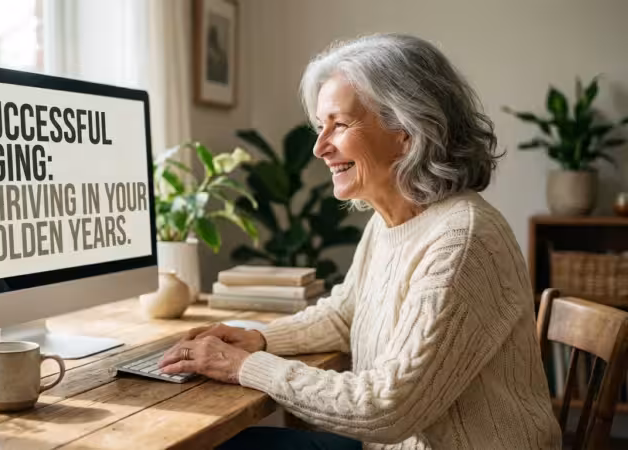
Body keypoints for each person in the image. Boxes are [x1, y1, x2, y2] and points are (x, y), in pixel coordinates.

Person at [159, 33, 562, 450]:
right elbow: (344, 315)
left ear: (407, 130)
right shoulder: (392, 220)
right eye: (320, 127)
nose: (319, 147)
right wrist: (260, 339)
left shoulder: (462, 240)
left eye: (340, 124)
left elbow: (386, 408)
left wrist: (246, 366)